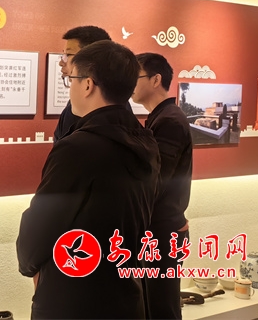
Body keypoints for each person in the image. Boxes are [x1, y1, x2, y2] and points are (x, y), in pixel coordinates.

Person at [17, 41, 160, 319]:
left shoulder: (78, 147)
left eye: (71, 79)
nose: (70, 87)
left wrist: (30, 267)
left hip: (74, 298)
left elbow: (40, 224)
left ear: (87, 85)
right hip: (126, 294)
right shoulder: (146, 142)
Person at [132, 52, 193, 320]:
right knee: (152, 305)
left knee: (161, 309)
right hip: (160, 229)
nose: (130, 83)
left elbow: (156, 181)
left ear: (156, 80)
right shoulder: (162, 116)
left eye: (135, 76)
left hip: (163, 232)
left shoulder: (168, 120)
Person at [54, 25, 112, 142]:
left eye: (68, 55)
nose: (61, 62)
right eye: (63, 55)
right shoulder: (74, 106)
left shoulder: (109, 109)